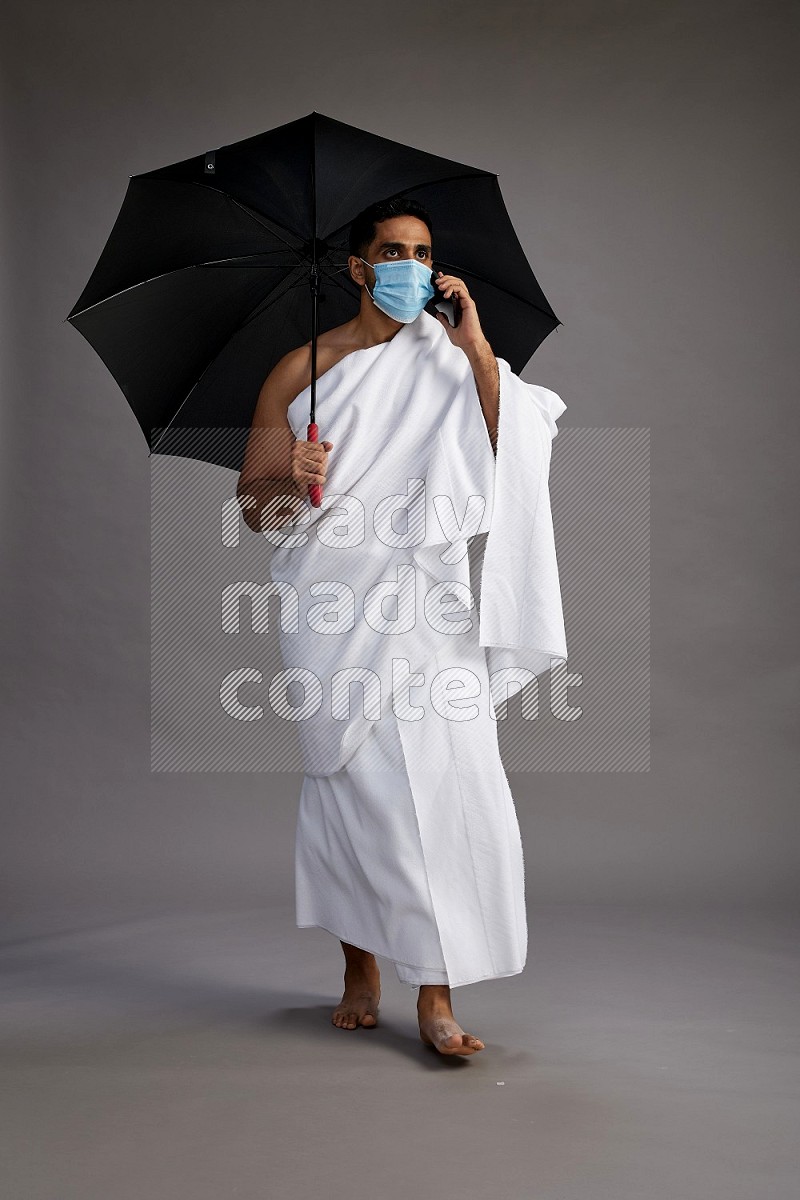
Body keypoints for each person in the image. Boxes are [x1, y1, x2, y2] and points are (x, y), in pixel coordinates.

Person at [237, 197, 566, 1057]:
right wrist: (291, 474)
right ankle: (360, 966)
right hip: (331, 605)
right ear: (358, 266)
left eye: (423, 252)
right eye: (393, 251)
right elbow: (259, 512)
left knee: (451, 786)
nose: (411, 267)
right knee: (354, 789)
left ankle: (436, 991)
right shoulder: (298, 371)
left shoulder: (455, 359)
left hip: (428, 605)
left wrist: (477, 347)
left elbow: (513, 448)